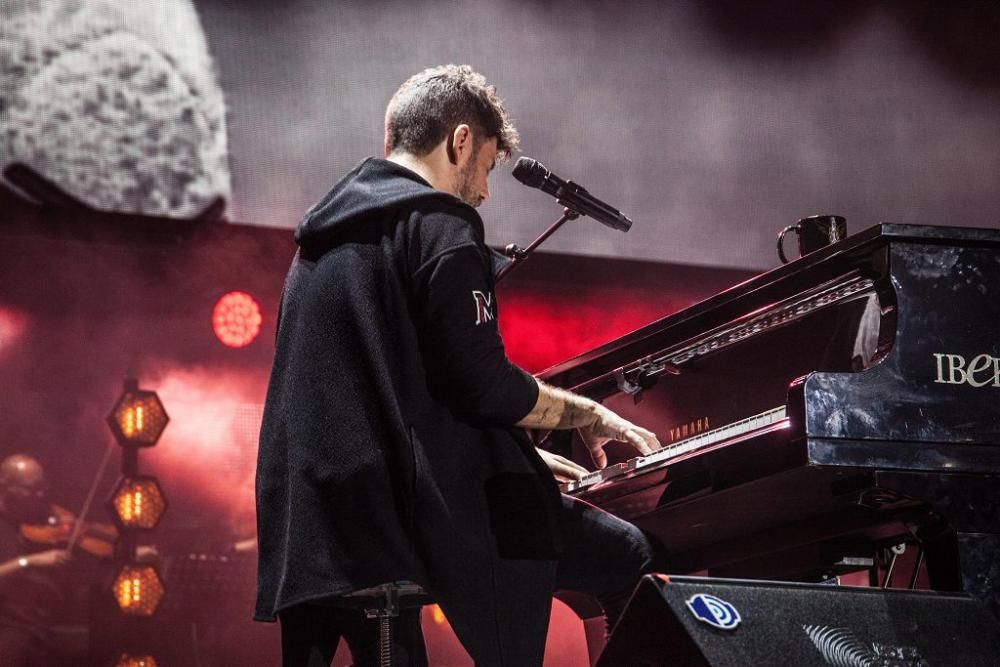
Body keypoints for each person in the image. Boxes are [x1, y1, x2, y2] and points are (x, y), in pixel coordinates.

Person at [255, 64, 666, 667]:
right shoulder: (440, 223)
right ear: (462, 141)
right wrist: (590, 412)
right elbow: (478, 383)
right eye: (489, 167)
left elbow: (399, 393)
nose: (484, 192)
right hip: (391, 525)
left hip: (308, 527)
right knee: (624, 553)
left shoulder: (321, 242)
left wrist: (512, 454)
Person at [0, 454, 73, 667]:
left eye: (42, 489)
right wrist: (28, 562)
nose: (39, 496)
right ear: (4, 486)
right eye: (31, 488)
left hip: (29, 630)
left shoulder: (17, 525)